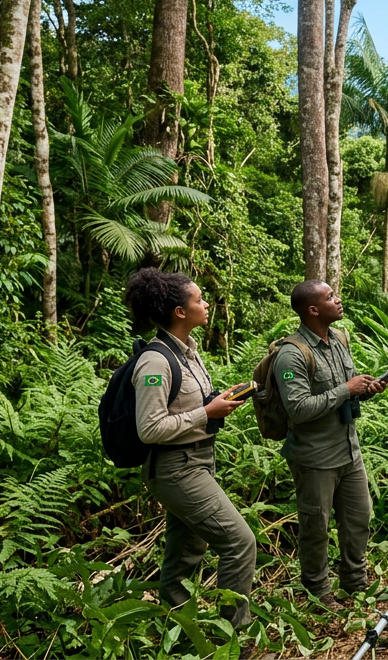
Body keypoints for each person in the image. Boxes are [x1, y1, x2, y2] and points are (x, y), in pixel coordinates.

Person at [125, 268, 256, 627]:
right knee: (239, 542)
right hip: (174, 468)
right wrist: (206, 412)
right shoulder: (155, 361)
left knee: (186, 551)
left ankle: (179, 629)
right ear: (180, 312)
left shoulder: (188, 353)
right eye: (199, 299)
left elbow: (184, 406)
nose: (206, 304)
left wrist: (216, 402)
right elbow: (149, 428)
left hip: (197, 461)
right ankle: (234, 634)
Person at [273, 280, 388, 608]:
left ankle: (355, 583)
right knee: (316, 526)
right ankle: (317, 590)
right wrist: (346, 390)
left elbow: (346, 389)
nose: (338, 300)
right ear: (313, 310)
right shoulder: (292, 354)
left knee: (359, 518)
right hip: (314, 457)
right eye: (330, 297)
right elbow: (298, 409)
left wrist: (365, 388)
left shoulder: (339, 339)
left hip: (348, 450)